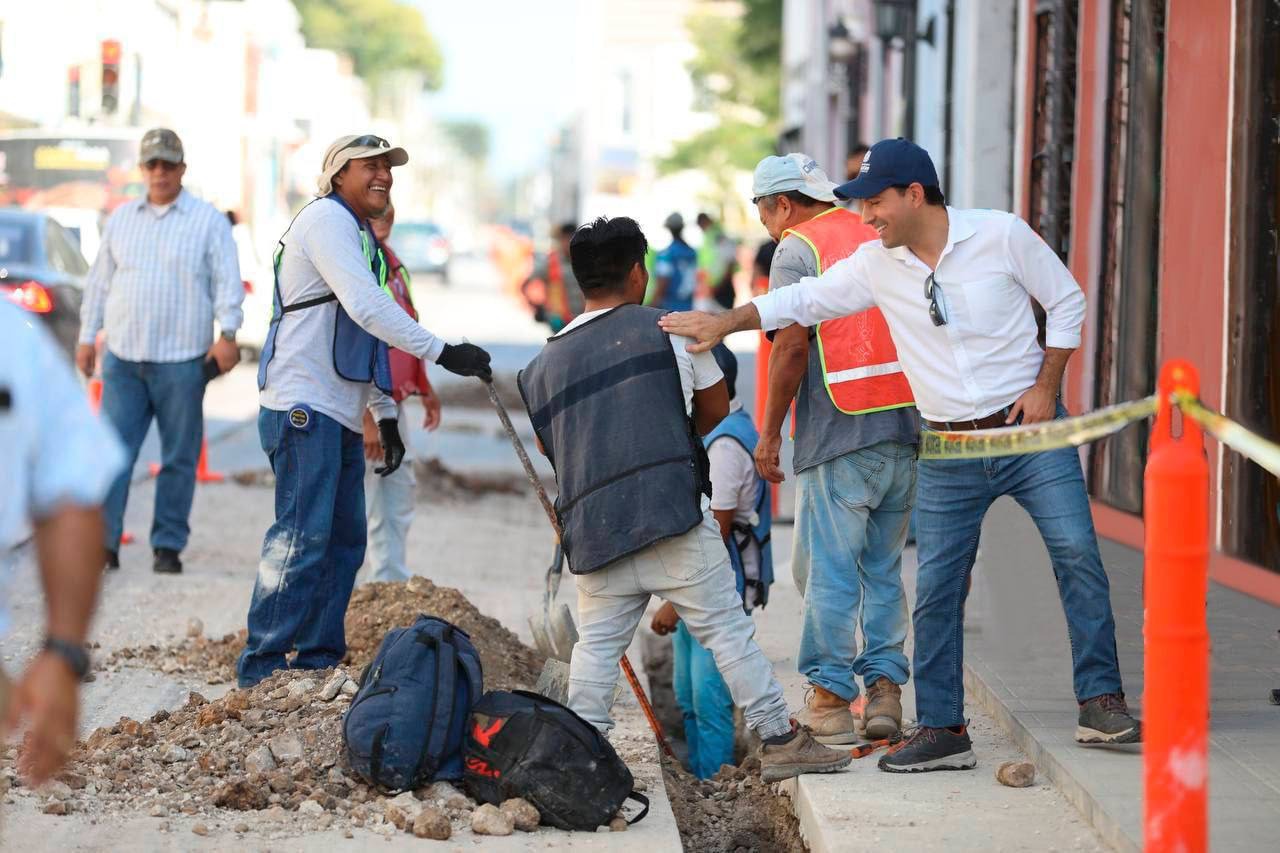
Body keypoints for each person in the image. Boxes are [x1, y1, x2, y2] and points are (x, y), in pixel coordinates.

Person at [660, 137, 1141, 773]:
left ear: (916, 195)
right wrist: (727, 321)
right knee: (938, 585)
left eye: (876, 203)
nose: (866, 218)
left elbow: (1068, 301)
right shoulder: (874, 263)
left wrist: (1048, 384)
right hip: (944, 444)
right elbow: (801, 302)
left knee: (1077, 556)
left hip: (1030, 434)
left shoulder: (1001, 235)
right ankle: (943, 728)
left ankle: (1101, 702)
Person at [519, 215, 848, 784]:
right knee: (727, 631)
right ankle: (778, 738)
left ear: (579, 280)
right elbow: (716, 415)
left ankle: (576, 760)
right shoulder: (671, 331)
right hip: (671, 517)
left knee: (595, 653)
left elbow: (558, 450)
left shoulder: (540, 367)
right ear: (637, 272)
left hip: (596, 532)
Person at [237, 134, 492, 688]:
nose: (383, 175)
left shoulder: (358, 238)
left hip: (338, 411)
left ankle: (316, 659)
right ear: (337, 175)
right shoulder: (326, 221)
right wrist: (442, 351)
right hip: (302, 405)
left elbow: (365, 337)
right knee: (302, 537)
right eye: (369, 167)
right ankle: (260, 670)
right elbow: (368, 307)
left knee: (347, 539)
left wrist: (388, 415)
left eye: (388, 167)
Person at [751, 153, 918, 743]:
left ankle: (827, 699)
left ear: (785, 204)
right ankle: (885, 696)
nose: (767, 226)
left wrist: (769, 432)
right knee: (882, 568)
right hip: (904, 429)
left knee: (829, 571)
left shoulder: (798, 248)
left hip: (840, 432)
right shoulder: (878, 232)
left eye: (763, 212)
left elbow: (791, 348)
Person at [75, 127, 244, 575]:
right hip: (124, 358)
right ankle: (104, 544)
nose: (160, 172)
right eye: (152, 164)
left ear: (182, 169)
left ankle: (167, 546)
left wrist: (228, 333)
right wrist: (86, 336)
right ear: (143, 169)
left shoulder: (207, 221)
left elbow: (227, 279)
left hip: (183, 361)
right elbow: (99, 285)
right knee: (112, 454)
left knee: (178, 459)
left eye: (168, 164)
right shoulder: (122, 219)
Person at [1, 300, 124, 786]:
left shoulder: (15, 343)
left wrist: (63, 653)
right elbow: (72, 493)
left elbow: (70, 493)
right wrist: (63, 652)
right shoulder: (13, 338)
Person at [650, 344, 773, 778]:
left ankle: (714, 786)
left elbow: (715, 533)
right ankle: (697, 780)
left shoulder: (724, 445)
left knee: (708, 699)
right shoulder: (717, 431)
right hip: (697, 583)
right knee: (687, 696)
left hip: (716, 585)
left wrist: (671, 602)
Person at [359, 198, 443, 583]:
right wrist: (370, 420)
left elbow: (406, 329)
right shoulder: (357, 264)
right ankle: (370, 584)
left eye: (387, 211)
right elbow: (358, 342)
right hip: (371, 405)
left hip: (393, 400)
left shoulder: (390, 261)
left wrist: (422, 385)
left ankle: (389, 579)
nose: (383, 219)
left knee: (398, 488)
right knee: (373, 495)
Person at [540, 222, 584, 332]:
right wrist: (538, 307)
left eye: (571, 238)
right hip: (559, 321)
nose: (567, 243)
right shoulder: (551, 262)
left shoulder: (585, 260)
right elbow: (528, 283)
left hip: (582, 319)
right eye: (565, 239)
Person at [651, 212, 699, 311]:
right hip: (689, 307)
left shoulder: (667, 254)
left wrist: (651, 305)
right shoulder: (692, 253)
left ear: (669, 229)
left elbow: (663, 282)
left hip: (670, 309)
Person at [695, 212, 738, 311]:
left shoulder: (719, 237)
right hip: (710, 290)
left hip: (720, 290)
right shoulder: (708, 238)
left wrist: (717, 288)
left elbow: (729, 264)